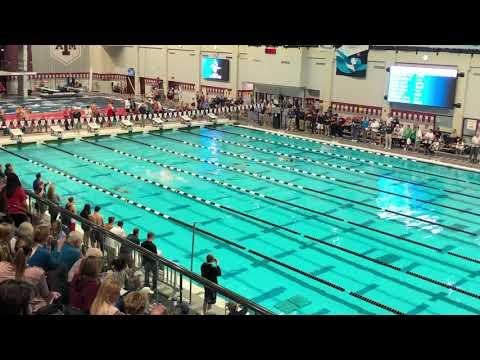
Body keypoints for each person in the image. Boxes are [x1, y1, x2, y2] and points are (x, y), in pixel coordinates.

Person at [0, 238, 60, 312]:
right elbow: (46, 296)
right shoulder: (37, 273)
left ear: (14, 250)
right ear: (31, 252)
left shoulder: (1, 266)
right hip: (27, 310)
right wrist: (52, 295)